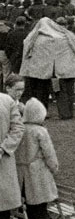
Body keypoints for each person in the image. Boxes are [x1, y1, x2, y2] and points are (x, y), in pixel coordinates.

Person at [15, 98, 58, 219]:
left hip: (21, 174)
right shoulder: (40, 131)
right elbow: (49, 153)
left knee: (25, 206)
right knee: (39, 209)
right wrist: (54, 168)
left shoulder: (19, 129)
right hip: (37, 173)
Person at [0, 80, 23, 219]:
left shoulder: (6, 101)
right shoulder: (7, 100)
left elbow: (18, 128)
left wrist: (4, 148)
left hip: (3, 161)